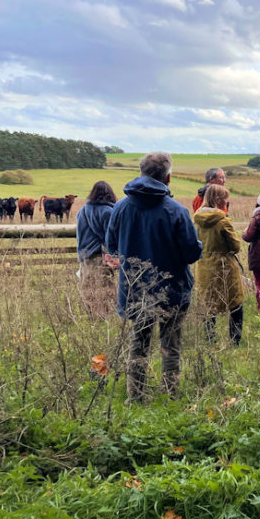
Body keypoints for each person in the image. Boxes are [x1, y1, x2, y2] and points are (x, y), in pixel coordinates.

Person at [106, 152, 202, 402]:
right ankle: (171, 395)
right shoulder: (177, 211)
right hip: (173, 289)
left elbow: (111, 245)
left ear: (141, 172)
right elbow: (192, 253)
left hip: (135, 287)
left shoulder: (120, 207)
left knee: (138, 343)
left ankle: (135, 396)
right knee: (171, 345)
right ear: (168, 178)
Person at [194, 184, 245, 344]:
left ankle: (210, 339)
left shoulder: (195, 219)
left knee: (208, 303)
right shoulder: (223, 221)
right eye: (225, 198)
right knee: (235, 302)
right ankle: (235, 340)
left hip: (203, 265)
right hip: (224, 266)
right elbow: (236, 246)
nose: (227, 201)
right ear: (219, 200)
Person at [75, 180, 117, 319]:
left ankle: (92, 316)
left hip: (85, 255)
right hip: (101, 256)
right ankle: (104, 318)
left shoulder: (82, 211)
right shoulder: (109, 212)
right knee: (106, 287)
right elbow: (110, 238)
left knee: (88, 287)